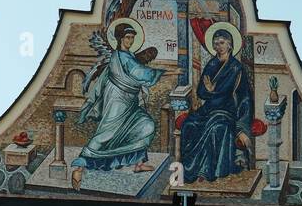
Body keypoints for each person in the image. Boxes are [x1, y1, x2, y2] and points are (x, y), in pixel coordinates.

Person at [71, 24, 162, 190]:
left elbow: (137, 73)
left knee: (145, 125)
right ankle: (79, 167)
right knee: (107, 133)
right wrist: (166, 73)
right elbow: (141, 73)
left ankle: (139, 163)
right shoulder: (120, 56)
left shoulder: (129, 55)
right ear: (120, 39)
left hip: (130, 102)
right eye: (127, 37)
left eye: (132, 37)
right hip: (117, 101)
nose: (130, 40)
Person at [179, 29, 253, 183]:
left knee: (215, 128)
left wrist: (241, 127)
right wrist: (209, 91)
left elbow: (242, 97)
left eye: (222, 43)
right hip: (208, 109)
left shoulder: (236, 68)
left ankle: (206, 172)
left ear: (230, 45)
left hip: (227, 110)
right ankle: (189, 170)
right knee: (189, 125)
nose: (218, 47)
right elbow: (201, 92)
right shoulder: (212, 64)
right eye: (215, 44)